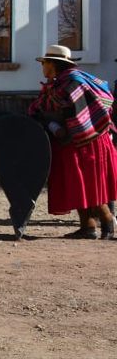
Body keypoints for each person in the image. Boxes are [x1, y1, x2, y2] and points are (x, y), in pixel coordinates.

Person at [27, 45, 117, 240]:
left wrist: (64, 128)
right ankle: (88, 226)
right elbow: (40, 109)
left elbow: (77, 114)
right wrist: (52, 125)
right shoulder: (59, 83)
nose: (42, 66)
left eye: (44, 62)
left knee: (88, 182)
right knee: (75, 183)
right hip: (71, 140)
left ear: (53, 64)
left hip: (86, 140)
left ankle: (107, 222)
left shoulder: (73, 83)